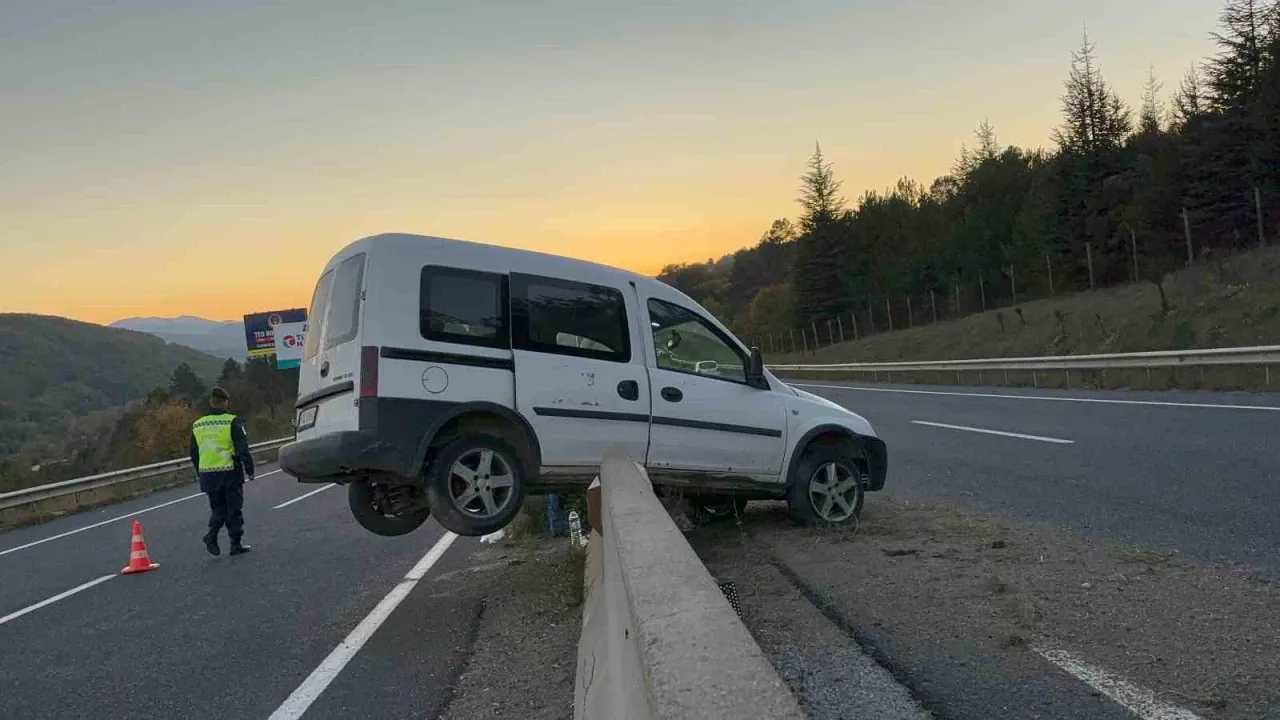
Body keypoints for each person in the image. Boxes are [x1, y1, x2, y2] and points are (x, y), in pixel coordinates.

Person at [190, 386, 255, 556]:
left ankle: (211, 535)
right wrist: (250, 469)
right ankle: (235, 544)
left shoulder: (198, 425)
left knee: (218, 509)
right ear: (225, 402)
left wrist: (200, 473)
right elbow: (242, 449)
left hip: (208, 476)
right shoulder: (232, 421)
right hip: (229, 472)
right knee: (234, 508)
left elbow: (194, 453)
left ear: (211, 402)